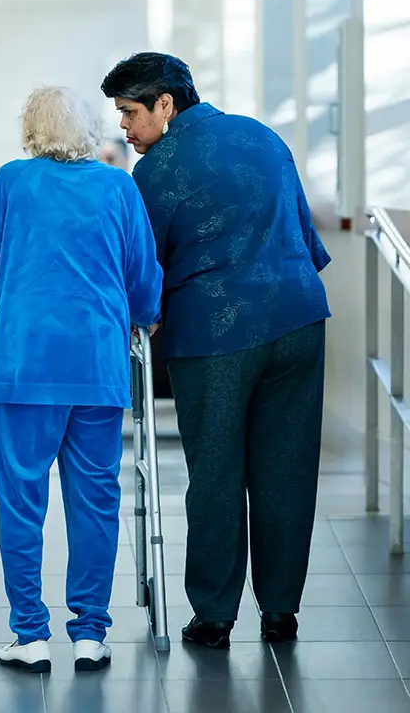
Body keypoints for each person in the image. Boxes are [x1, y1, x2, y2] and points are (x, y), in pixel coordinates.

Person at [101, 52, 332, 649]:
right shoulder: (262, 136)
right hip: (301, 318)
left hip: (216, 335)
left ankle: (214, 616)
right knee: (287, 469)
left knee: (216, 474)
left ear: (165, 105)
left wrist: (138, 320)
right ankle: (281, 612)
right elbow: (307, 239)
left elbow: (142, 271)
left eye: (130, 113)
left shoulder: (155, 172)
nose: (124, 128)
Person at [0, 86, 162, 673]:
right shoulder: (118, 186)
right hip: (96, 366)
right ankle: (90, 633)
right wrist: (143, 314)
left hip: (25, 368)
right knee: (96, 501)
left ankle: (31, 635)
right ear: (90, 130)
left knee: (21, 502)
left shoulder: (12, 182)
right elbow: (142, 274)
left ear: (31, 130)